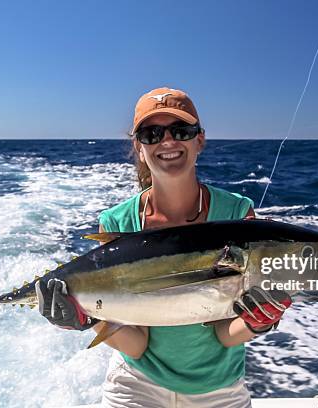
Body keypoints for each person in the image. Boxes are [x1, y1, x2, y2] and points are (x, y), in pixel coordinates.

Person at [36, 87, 292, 408]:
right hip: (135, 387)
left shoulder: (237, 214)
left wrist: (258, 322)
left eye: (181, 130)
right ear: (139, 146)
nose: (168, 141)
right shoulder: (118, 221)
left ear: (199, 140)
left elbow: (225, 334)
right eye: (152, 133)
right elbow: (138, 344)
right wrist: (89, 319)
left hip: (219, 389)